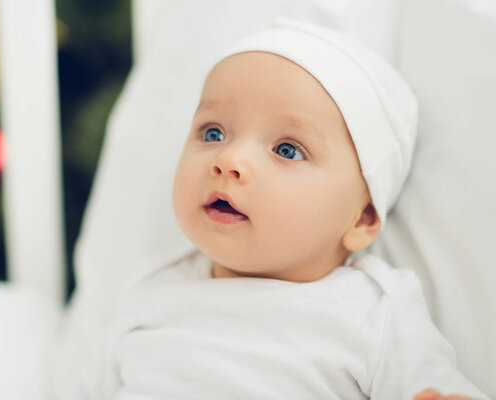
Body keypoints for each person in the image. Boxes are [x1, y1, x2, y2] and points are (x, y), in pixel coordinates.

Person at [69, 19, 488, 400]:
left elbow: (434, 386)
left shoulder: (375, 312)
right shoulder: (151, 290)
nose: (228, 159)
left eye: (287, 150)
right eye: (212, 132)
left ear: (361, 218)